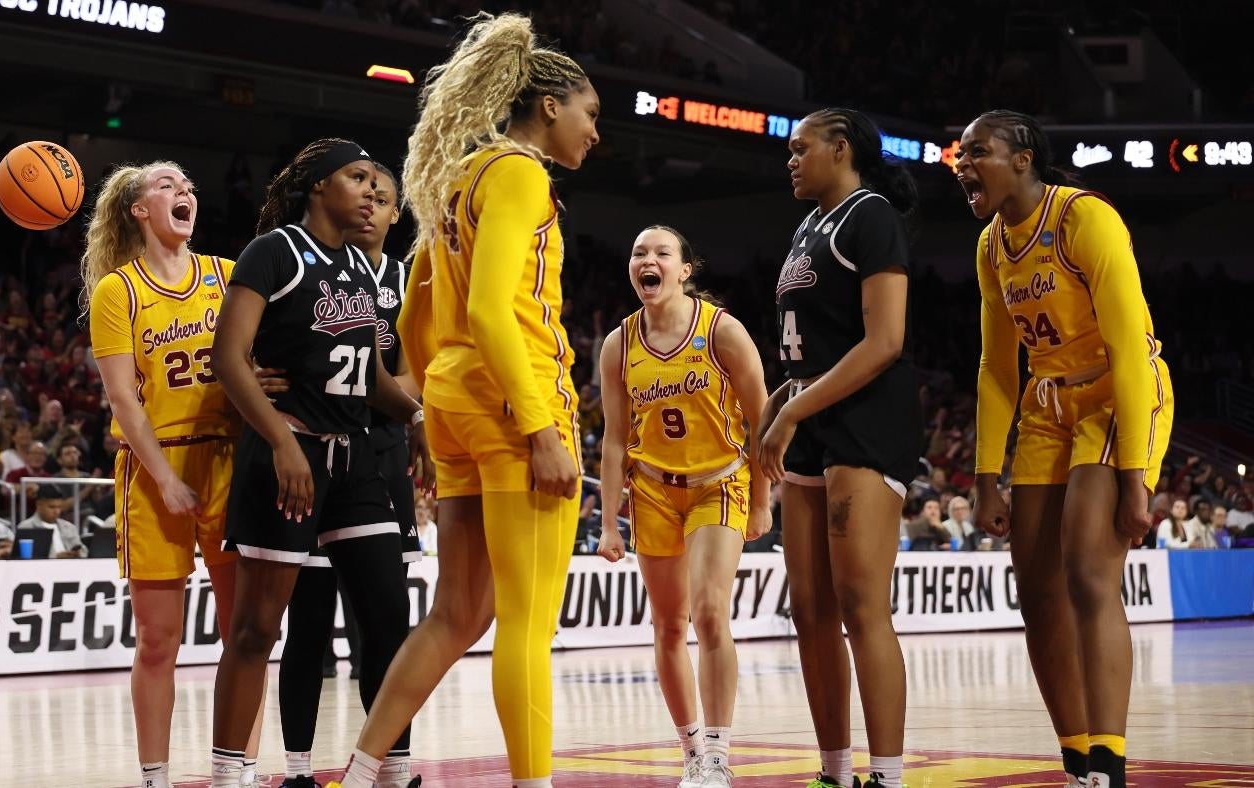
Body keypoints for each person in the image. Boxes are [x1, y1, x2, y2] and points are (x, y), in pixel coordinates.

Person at [328, 14, 600, 788]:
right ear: (549, 106)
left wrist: (432, 400)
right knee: (525, 621)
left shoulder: (455, 179)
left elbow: (414, 314)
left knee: (458, 614)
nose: (594, 132)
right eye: (590, 113)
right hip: (513, 402)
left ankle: (360, 768)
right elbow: (487, 310)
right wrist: (540, 424)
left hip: (453, 401)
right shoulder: (519, 173)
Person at [958, 109, 1174, 788]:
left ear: (1023, 159)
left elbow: (1130, 353)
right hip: (1048, 407)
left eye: (978, 151)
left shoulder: (1084, 219)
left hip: (1118, 392)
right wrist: (985, 474)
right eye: (959, 154)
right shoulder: (991, 246)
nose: (964, 164)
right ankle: (1078, 760)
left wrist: (1135, 478)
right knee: (1036, 593)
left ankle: (1111, 762)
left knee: (1086, 568)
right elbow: (997, 369)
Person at [208, 138, 427, 788]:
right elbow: (228, 357)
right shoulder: (274, 252)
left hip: (355, 458)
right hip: (290, 455)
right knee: (256, 630)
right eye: (355, 178)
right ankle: (228, 775)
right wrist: (278, 440)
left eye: (373, 181)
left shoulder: (362, 271)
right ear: (317, 187)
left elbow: (374, 380)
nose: (368, 190)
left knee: (389, 615)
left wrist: (418, 420)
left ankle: (389, 769)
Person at [85, 160, 272, 788]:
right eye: (167, 186)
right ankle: (155, 778)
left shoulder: (226, 275)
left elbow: (256, 360)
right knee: (158, 641)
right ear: (139, 210)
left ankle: (239, 771)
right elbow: (122, 400)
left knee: (244, 634)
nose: (183, 191)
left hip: (229, 459)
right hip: (153, 467)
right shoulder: (119, 291)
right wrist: (163, 477)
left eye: (188, 184)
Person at [755, 107, 921, 788]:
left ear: (840, 148)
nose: (791, 161)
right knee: (810, 608)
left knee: (859, 603)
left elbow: (884, 342)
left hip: (864, 421)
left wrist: (795, 405)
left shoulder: (871, 215)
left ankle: (887, 776)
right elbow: (808, 339)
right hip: (810, 415)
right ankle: (835, 772)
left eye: (801, 150)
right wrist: (778, 400)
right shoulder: (808, 224)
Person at [596, 226, 771, 787]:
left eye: (661, 253)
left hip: (718, 482)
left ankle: (719, 754)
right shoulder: (618, 344)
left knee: (710, 610)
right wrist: (607, 521)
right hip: (651, 489)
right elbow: (615, 439)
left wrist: (764, 497)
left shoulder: (722, 331)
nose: (648, 260)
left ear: (685, 269)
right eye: (638, 252)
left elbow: (761, 418)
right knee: (669, 625)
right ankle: (692, 749)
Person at [277, 160, 424, 788]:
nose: (369, 203)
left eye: (383, 197)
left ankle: (392, 766)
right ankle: (297, 769)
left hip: (384, 456)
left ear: (395, 215)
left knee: (382, 624)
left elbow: (418, 374)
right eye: (363, 191)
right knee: (306, 621)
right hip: (316, 445)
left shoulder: (408, 281)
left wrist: (358, 390)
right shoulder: (307, 267)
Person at [17, 484, 83, 558]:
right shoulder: (26, 527)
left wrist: (78, 553)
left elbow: (83, 552)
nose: (57, 511)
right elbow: (22, 559)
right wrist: (56, 557)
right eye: (52, 507)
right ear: (38, 505)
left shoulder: (69, 527)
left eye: (59, 507)